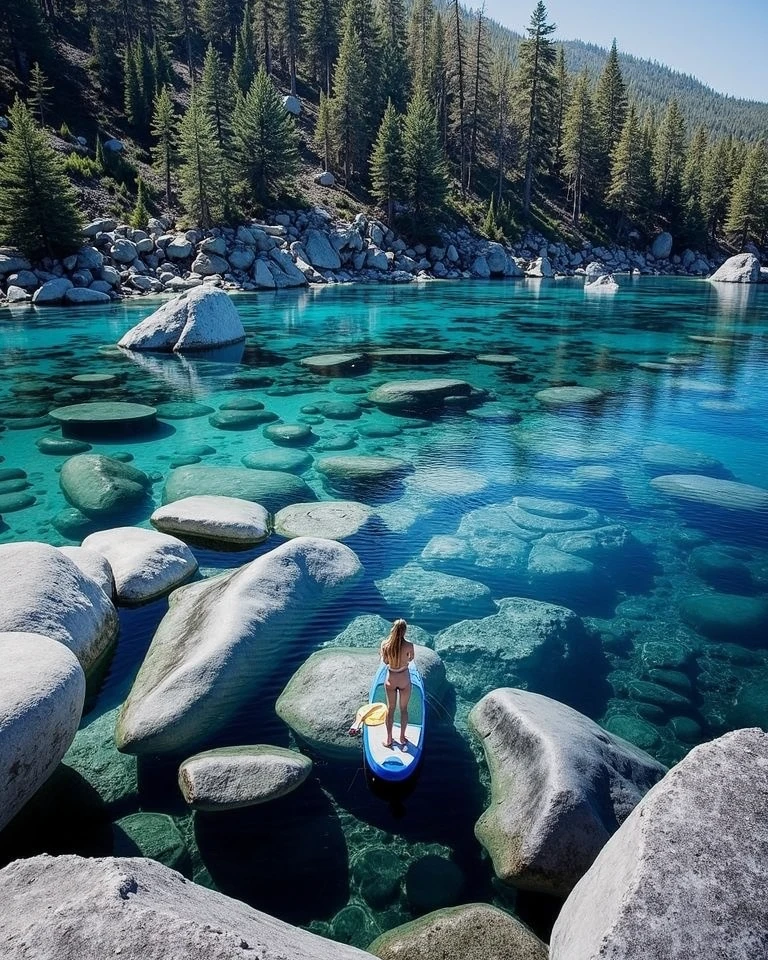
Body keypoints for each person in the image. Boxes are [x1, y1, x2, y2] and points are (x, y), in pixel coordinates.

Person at [380, 618, 414, 749]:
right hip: (404, 678)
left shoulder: (385, 644)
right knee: (404, 709)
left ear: (392, 629)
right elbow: (411, 658)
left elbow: (385, 662)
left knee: (391, 709)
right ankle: (402, 737)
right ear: (405, 631)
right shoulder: (409, 645)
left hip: (391, 679)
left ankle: (388, 739)